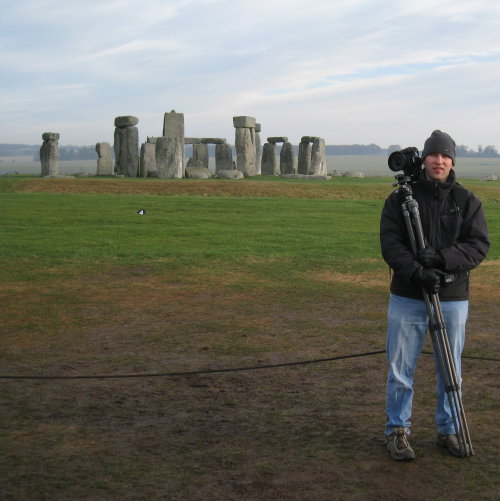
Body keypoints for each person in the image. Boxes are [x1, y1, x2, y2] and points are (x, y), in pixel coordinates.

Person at [379, 130, 490, 460]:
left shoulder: (466, 201)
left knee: (450, 368)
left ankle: (449, 429)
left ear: (452, 160)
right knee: (400, 368)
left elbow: (478, 245)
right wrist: (417, 272)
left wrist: (441, 260)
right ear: (425, 159)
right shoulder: (399, 200)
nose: (439, 160)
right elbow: (392, 245)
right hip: (408, 296)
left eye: (445, 155)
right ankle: (397, 431)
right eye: (433, 155)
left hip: (453, 296)